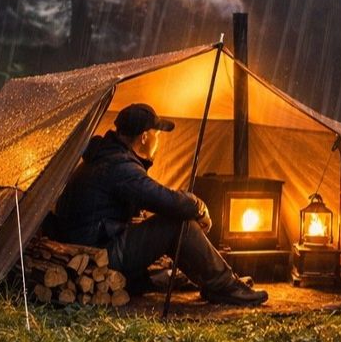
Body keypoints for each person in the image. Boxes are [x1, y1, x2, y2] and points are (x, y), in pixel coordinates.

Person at [49, 103, 268, 306]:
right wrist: (198, 205)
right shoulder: (119, 166)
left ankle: (216, 282)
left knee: (165, 221)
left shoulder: (106, 157)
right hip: (96, 258)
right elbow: (167, 201)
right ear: (144, 137)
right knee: (176, 222)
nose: (159, 140)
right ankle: (225, 287)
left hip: (90, 247)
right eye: (157, 134)